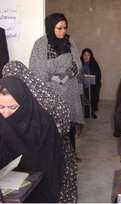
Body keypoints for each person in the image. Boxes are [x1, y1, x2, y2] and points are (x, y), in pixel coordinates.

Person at [2, 61, 78, 203]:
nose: (6, 113)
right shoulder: (6, 109)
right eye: (1, 107)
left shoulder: (41, 116)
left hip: (48, 162)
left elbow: (48, 162)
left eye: (11, 107)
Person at [29, 13, 84, 154]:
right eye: (59, 28)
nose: (63, 31)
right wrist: (56, 76)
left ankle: (70, 155)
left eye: (65, 28)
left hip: (69, 90)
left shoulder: (70, 42)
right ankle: (53, 157)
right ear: (50, 27)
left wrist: (66, 75)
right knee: (52, 126)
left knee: (69, 125)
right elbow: (36, 69)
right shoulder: (40, 44)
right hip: (50, 93)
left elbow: (77, 64)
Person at [80, 48, 102, 119]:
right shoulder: (79, 63)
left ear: (91, 56)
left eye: (88, 55)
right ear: (82, 56)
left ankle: (90, 111)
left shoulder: (94, 64)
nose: (86, 57)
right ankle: (83, 112)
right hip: (81, 85)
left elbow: (98, 75)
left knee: (91, 95)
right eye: (84, 55)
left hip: (92, 86)